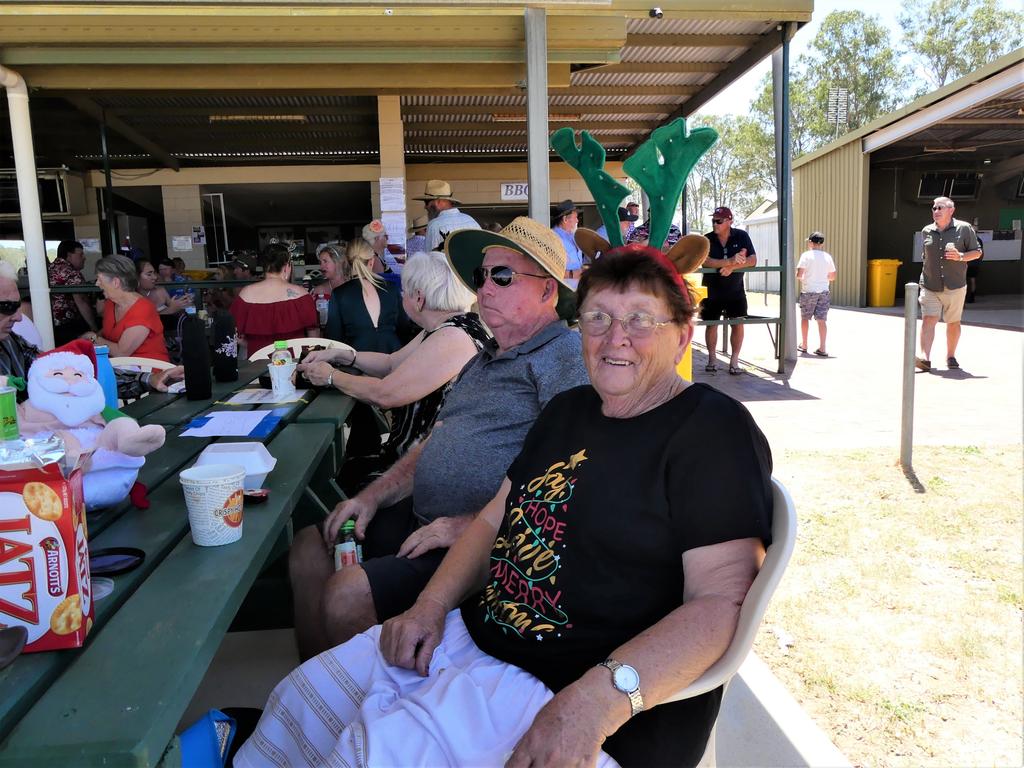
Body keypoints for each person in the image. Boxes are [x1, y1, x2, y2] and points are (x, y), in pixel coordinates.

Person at [235, 244, 773, 768]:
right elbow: (497, 516)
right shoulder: (571, 411)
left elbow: (721, 602)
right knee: (297, 703)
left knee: (366, 751)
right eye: (598, 318)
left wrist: (595, 703)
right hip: (476, 644)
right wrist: (428, 607)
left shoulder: (709, 429)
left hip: (577, 690)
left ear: (681, 335)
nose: (616, 338)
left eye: (640, 320)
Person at [286, 216, 587, 661]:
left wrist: (471, 524)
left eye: (502, 276)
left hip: (480, 543)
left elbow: (571, 476)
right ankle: (318, 688)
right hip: (420, 517)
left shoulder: (563, 357)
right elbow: (436, 441)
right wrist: (372, 497)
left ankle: (368, 716)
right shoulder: (486, 356)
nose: (484, 288)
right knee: (310, 546)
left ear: (547, 291)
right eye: (482, 276)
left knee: (346, 596)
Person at [299, 250, 491, 492]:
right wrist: (344, 354)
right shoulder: (446, 327)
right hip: (418, 459)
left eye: (405, 293)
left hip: (420, 474)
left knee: (333, 484)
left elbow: (385, 394)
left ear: (419, 298)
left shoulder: (452, 337)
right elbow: (391, 363)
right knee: (340, 475)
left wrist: (331, 376)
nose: (402, 297)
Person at [0, 262, 182, 401]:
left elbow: (65, 371)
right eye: (8, 306)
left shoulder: (11, 342)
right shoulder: (111, 305)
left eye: (17, 306)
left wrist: (148, 379)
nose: (18, 317)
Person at [915, 196, 981, 371]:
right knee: (929, 319)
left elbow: (977, 252)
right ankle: (925, 358)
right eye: (934, 208)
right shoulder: (926, 231)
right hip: (930, 284)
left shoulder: (964, 228)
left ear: (951, 210)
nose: (936, 211)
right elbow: (925, 256)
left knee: (953, 322)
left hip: (955, 285)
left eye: (940, 208)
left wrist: (960, 257)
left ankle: (950, 356)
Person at [230, 243, 319, 358]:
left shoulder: (246, 294)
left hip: (257, 367)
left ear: (263, 266)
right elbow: (314, 338)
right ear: (287, 266)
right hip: (294, 366)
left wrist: (249, 345)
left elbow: (232, 332)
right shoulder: (301, 294)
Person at [324, 239, 408, 354]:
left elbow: (334, 338)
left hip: (357, 363)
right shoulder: (391, 288)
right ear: (372, 261)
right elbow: (404, 328)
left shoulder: (339, 294)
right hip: (393, 359)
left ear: (348, 262)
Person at [701, 206, 756, 375]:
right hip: (711, 290)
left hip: (735, 290)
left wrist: (732, 266)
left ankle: (734, 362)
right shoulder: (706, 239)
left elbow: (753, 260)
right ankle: (712, 359)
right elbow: (705, 261)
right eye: (713, 221)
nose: (715, 224)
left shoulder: (742, 236)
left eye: (719, 221)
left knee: (737, 324)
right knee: (712, 324)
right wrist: (729, 261)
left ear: (729, 221)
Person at [84, 255, 170, 362]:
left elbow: (121, 352)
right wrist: (89, 339)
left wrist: (92, 338)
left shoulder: (143, 309)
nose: (97, 283)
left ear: (116, 282)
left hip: (147, 371)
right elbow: (109, 332)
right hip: (119, 367)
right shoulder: (111, 303)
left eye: (100, 279)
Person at [48, 240, 99, 345]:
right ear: (69, 255)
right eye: (80, 255)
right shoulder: (71, 273)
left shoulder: (48, 269)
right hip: (67, 327)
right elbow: (82, 301)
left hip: (48, 325)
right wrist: (94, 328)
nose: (84, 257)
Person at [796, 231, 837, 356]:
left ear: (810, 242)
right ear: (822, 244)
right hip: (823, 292)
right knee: (821, 320)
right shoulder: (827, 257)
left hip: (808, 291)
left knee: (805, 318)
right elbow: (832, 276)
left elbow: (799, 275)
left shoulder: (806, 256)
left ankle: (804, 344)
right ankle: (823, 347)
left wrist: (804, 278)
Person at [415, 179, 480, 250]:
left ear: (438, 201)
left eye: (426, 202)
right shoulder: (471, 220)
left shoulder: (434, 225)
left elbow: (431, 258)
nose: (425, 207)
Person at [309, 244, 349, 329]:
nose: (321, 266)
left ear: (337, 262)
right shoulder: (318, 291)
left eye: (325, 261)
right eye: (320, 262)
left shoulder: (352, 286)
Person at [551, 199, 584, 282]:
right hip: (564, 286)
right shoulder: (553, 238)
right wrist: (573, 274)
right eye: (575, 217)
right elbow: (550, 269)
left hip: (577, 284)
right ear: (565, 219)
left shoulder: (572, 235)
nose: (577, 220)